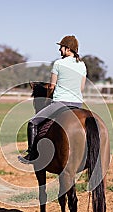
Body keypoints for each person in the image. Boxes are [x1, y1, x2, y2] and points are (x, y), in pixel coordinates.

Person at [18, 35, 87, 164]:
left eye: (61, 47)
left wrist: (49, 97)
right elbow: (81, 87)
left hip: (61, 103)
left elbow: (51, 86)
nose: (59, 50)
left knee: (32, 123)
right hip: (78, 103)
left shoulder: (59, 63)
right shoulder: (82, 65)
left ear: (67, 48)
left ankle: (32, 154)